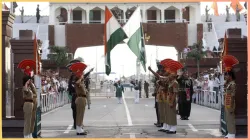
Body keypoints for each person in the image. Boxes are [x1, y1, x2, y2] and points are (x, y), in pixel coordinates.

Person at [17, 59, 36, 138]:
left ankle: (29, 134)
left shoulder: (30, 87)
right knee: (27, 121)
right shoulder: (24, 87)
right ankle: (26, 135)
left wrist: (30, 83)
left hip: (31, 104)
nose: (30, 81)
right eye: (29, 80)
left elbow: (34, 92)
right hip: (27, 104)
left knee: (31, 120)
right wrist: (27, 82)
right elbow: (26, 90)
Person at [70, 62, 88, 135]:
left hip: (82, 99)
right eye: (82, 75)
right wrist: (80, 77)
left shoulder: (81, 82)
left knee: (80, 114)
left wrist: (82, 78)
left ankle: (79, 128)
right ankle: (79, 129)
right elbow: (77, 83)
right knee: (80, 114)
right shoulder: (77, 82)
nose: (83, 76)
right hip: (80, 99)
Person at [222, 55, 239, 138]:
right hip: (227, 103)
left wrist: (231, 106)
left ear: (230, 76)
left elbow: (232, 95)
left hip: (230, 103)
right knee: (228, 118)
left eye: (226, 75)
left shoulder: (233, 84)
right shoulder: (228, 84)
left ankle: (232, 133)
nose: (225, 77)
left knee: (231, 119)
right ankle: (229, 132)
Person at [166, 60, 183, 134]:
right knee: (169, 113)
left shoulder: (175, 83)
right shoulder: (171, 82)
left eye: (170, 75)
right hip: (169, 98)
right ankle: (170, 126)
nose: (169, 76)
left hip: (172, 99)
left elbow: (175, 93)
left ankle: (173, 128)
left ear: (173, 76)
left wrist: (172, 102)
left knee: (172, 114)